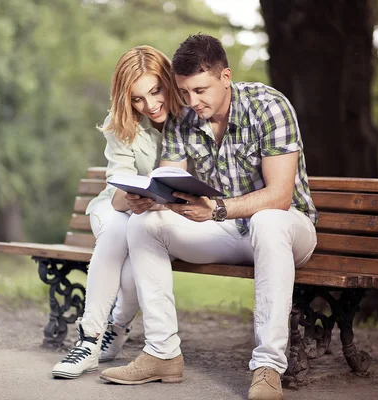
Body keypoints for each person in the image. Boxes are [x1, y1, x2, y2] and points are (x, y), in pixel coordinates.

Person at [100, 34, 317, 400]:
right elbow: (169, 180)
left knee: (267, 221)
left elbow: (280, 196)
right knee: (145, 225)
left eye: (200, 90)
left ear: (226, 76)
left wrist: (217, 209)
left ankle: (267, 368)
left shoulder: (268, 106)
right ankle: (162, 352)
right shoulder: (183, 119)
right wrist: (151, 199)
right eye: (184, 92)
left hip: (287, 229)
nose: (191, 102)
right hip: (227, 229)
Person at [51, 45, 183, 379]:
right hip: (114, 207)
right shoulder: (121, 121)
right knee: (120, 231)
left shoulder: (189, 118)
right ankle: (89, 339)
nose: (149, 105)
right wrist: (138, 199)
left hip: (162, 217)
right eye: (138, 98)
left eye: (155, 91)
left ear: (168, 81)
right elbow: (118, 189)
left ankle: (117, 326)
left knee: (138, 241)